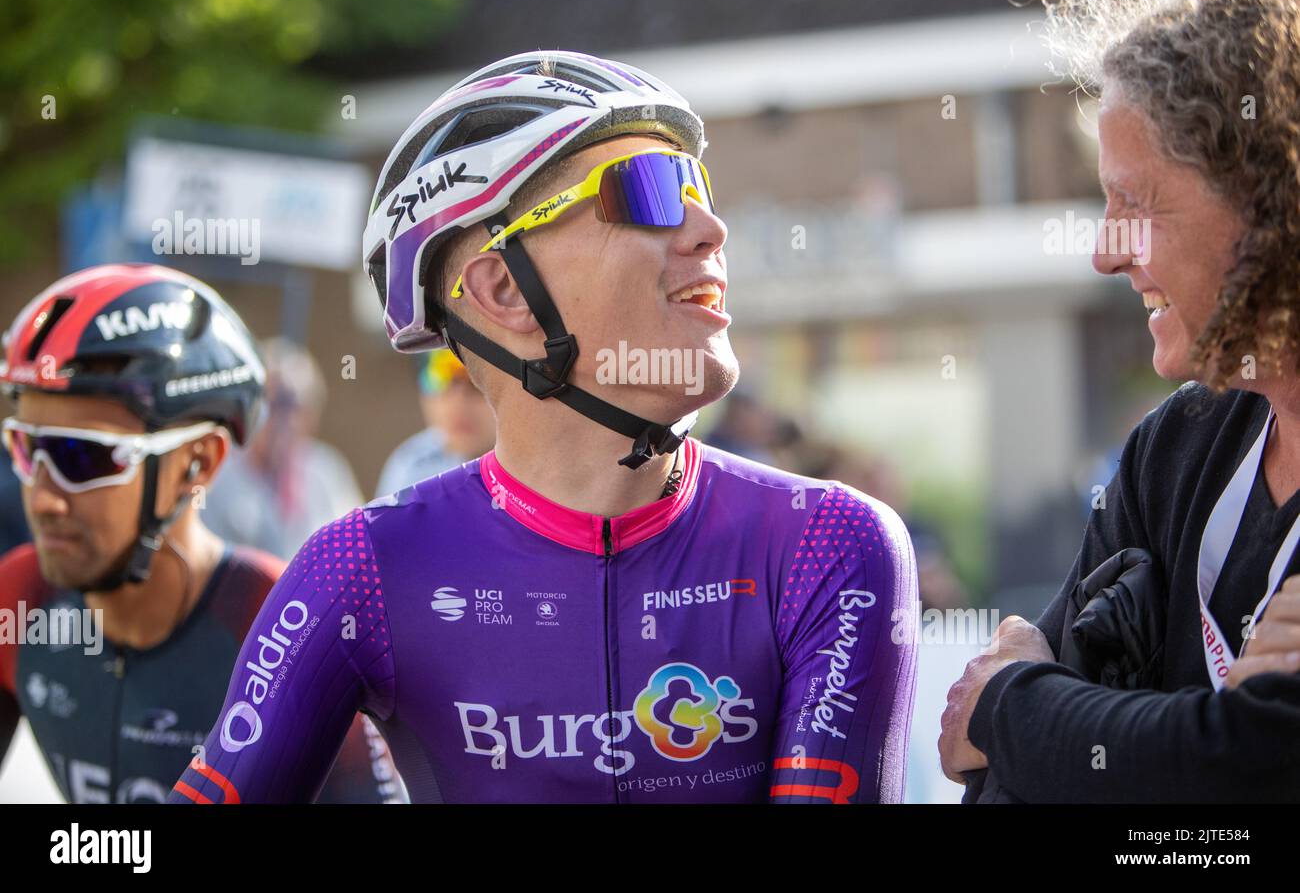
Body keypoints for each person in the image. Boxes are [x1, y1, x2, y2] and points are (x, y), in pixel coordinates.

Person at [171, 50, 918, 804]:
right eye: (653, 192)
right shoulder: (357, 570)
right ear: (503, 290)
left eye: (700, 187)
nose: (711, 228)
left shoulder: (829, 543)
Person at [939, 0, 1300, 802]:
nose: (1104, 252)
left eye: (1134, 203)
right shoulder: (1176, 447)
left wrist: (1021, 709)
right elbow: (999, 787)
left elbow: (1245, 771)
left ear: (1271, 198)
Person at [0, 263, 402, 803]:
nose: (44, 498)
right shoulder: (20, 596)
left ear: (198, 464)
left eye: (83, 455)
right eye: (28, 449)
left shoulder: (288, 629)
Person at [202, 338, 364, 560]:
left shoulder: (326, 472)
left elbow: (355, 550)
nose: (286, 420)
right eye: (275, 404)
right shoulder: (217, 476)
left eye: (295, 406)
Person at [374, 348, 495, 496]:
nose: (456, 405)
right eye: (438, 381)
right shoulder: (412, 468)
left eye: (474, 385)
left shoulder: (528, 472)